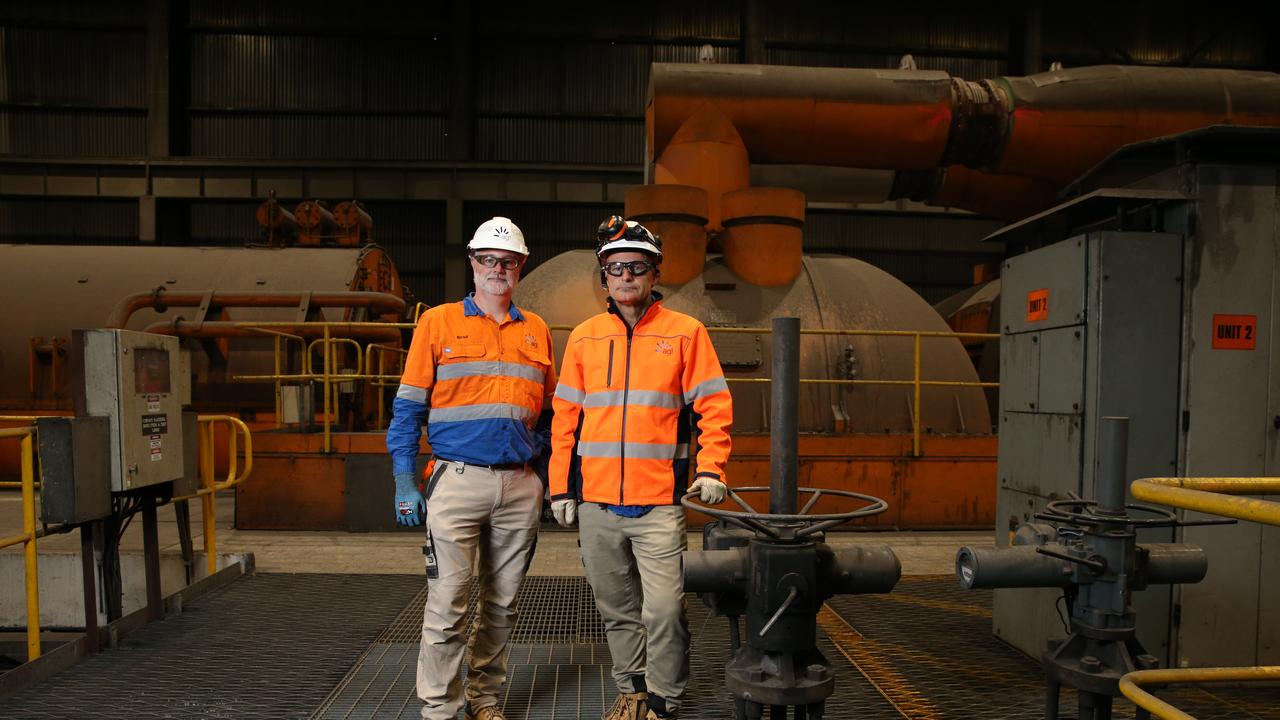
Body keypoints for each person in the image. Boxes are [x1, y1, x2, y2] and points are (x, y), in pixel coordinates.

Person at [547, 216, 733, 720]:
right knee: (617, 611)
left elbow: (712, 407)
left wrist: (712, 468)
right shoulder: (585, 339)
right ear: (603, 276)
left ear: (654, 275)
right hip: (598, 505)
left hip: (658, 505)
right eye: (616, 267)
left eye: (637, 267)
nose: (626, 276)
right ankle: (631, 690)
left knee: (665, 610)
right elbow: (565, 419)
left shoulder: (685, 334)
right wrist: (561, 489)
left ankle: (664, 698)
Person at [386, 216, 556, 720]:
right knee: (448, 605)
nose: (497, 269)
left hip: (520, 484)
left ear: (520, 266)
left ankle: (484, 700)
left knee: (502, 606)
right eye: (488, 260)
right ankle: (440, 708)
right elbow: (408, 410)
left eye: (507, 261)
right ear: (473, 263)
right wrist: (403, 480)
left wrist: (543, 471)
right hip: (456, 481)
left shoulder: (538, 330)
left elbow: (550, 413)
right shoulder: (437, 323)